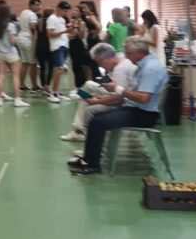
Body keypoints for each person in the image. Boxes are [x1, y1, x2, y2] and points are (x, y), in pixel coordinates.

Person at [69, 37, 169, 175]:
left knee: (97, 121)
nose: (126, 56)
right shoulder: (145, 65)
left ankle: (92, 164)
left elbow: (143, 98)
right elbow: (135, 94)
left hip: (144, 114)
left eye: (129, 53)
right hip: (136, 108)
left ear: (139, 52)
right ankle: (89, 158)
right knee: (96, 118)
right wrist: (108, 96)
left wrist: (117, 89)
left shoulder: (150, 69)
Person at [59, 43, 138, 142]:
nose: (100, 66)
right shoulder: (120, 58)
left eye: (100, 63)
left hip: (125, 103)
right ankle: (78, 129)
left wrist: (97, 101)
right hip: (119, 94)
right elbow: (118, 88)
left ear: (106, 59)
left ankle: (80, 132)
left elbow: (119, 100)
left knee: (87, 105)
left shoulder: (120, 70)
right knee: (87, 86)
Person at [0, 4, 29, 108]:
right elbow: (12, 41)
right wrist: (17, 39)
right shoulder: (10, 25)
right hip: (11, 53)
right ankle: (17, 100)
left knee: (1, 75)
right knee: (16, 76)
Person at [45, 1, 71, 103]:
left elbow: (63, 34)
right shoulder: (52, 18)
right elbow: (49, 34)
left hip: (65, 45)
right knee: (58, 69)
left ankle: (56, 92)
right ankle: (53, 93)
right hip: (57, 46)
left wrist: (70, 33)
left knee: (60, 70)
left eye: (66, 11)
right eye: (64, 11)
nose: (65, 13)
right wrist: (65, 31)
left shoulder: (62, 19)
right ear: (58, 8)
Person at [17, 0, 41, 92]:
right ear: (30, 5)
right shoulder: (32, 15)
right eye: (37, 5)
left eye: (39, 5)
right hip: (28, 40)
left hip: (21, 38)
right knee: (33, 63)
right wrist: (36, 40)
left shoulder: (23, 12)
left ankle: (21, 84)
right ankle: (34, 85)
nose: (39, 7)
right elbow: (33, 28)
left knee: (25, 63)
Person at [67, 5, 92, 93]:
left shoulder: (82, 23)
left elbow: (81, 35)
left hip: (80, 45)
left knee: (82, 66)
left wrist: (76, 27)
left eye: (76, 11)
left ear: (80, 13)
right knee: (75, 66)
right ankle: (77, 86)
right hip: (72, 44)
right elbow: (69, 35)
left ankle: (84, 86)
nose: (74, 12)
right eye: (73, 10)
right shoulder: (71, 22)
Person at [35, 7, 53, 91]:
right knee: (51, 67)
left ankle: (42, 85)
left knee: (42, 67)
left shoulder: (39, 21)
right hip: (49, 46)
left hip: (39, 46)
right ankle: (48, 85)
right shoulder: (51, 23)